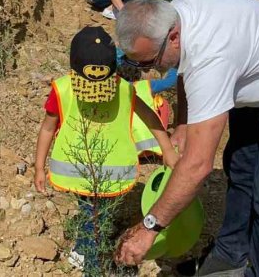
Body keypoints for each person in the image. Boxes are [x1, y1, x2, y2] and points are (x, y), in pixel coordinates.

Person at [112, 0, 259, 275]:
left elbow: (198, 166)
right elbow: (183, 67)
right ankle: (230, 256)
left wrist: (149, 228)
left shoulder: (211, 58)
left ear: (174, 37)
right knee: (240, 170)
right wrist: (183, 122)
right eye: (138, 64)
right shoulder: (174, 13)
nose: (151, 71)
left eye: (150, 61)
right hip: (253, 79)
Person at [34, 26, 178, 273]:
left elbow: (151, 118)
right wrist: (38, 167)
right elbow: (47, 128)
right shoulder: (62, 90)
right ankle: (94, 266)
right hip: (76, 172)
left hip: (112, 176)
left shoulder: (124, 89)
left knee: (97, 218)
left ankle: (83, 250)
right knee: (95, 220)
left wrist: (168, 150)